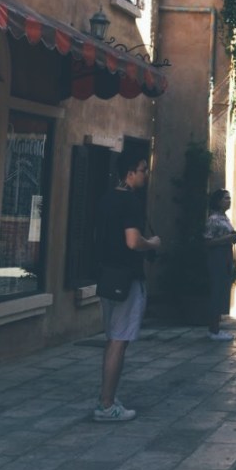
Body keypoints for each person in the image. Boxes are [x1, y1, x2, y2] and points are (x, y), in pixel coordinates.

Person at [93, 152, 160, 422]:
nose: (146, 174)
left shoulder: (106, 199)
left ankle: (107, 397)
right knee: (119, 342)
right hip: (126, 278)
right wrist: (152, 243)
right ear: (130, 173)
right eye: (143, 169)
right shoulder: (130, 201)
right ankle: (107, 405)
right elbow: (133, 241)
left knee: (113, 339)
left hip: (107, 276)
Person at [203, 188, 236, 341]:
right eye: (226, 198)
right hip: (217, 256)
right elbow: (208, 241)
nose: (229, 201)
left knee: (222, 289)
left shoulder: (224, 217)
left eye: (229, 198)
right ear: (218, 201)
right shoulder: (213, 219)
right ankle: (214, 329)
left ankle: (217, 327)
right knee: (216, 290)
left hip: (226, 255)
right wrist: (227, 239)